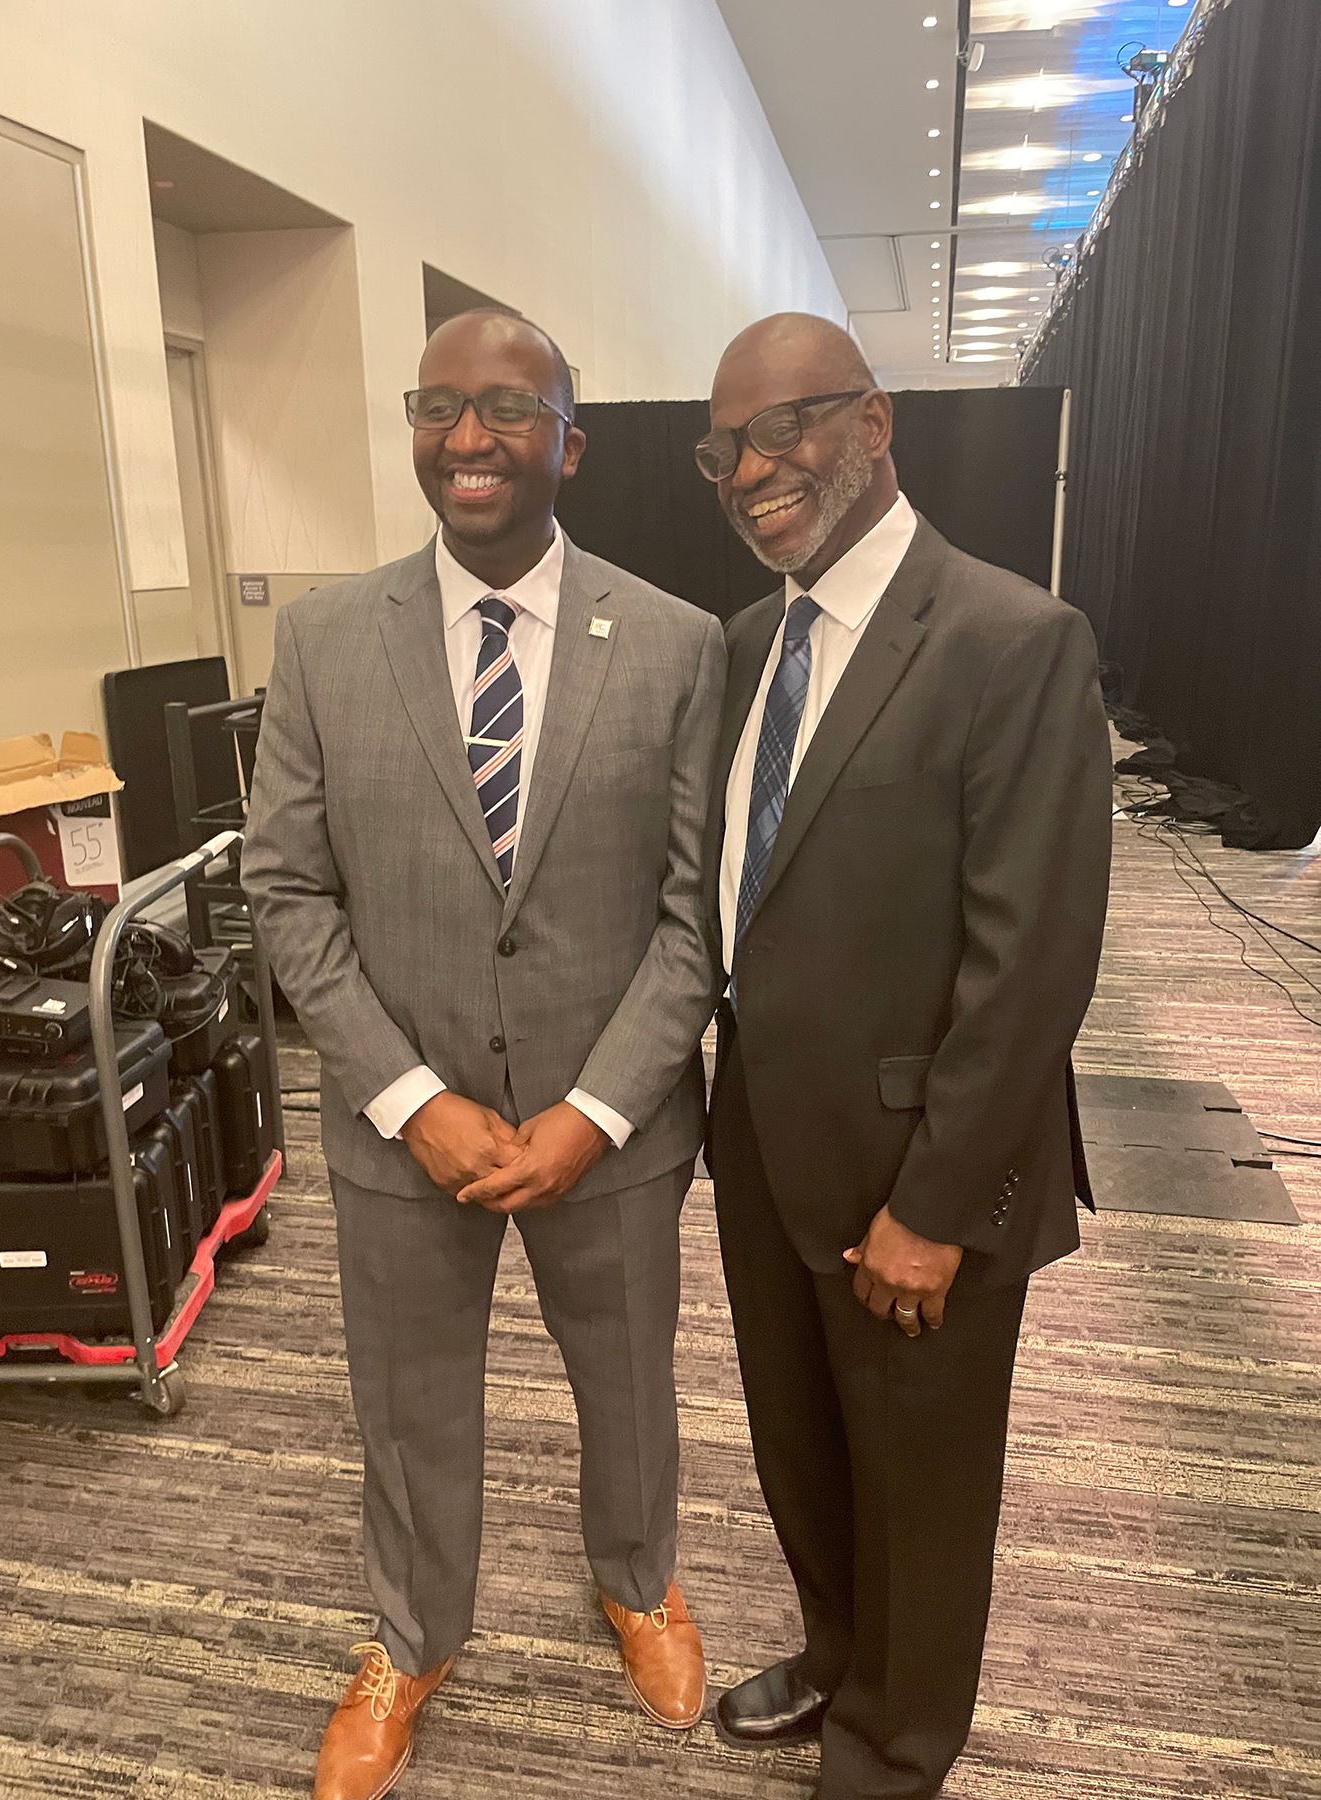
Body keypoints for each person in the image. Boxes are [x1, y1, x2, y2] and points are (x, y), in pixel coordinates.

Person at [242, 310, 724, 1800]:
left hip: (614, 1125)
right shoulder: (326, 638)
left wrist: (589, 1109)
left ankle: (637, 1580)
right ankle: (411, 1636)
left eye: (506, 408)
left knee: (629, 1380)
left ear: (568, 440)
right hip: (401, 1129)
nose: (468, 437)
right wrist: (410, 1097)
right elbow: (285, 890)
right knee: (407, 1400)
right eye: (439, 406)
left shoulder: (677, 642)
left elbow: (694, 915)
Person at [698, 313, 1112, 1800]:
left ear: (874, 424)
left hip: (915, 1165)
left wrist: (934, 1206)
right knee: (801, 1450)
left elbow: (1032, 963)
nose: (752, 469)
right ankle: (835, 1656)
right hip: (757, 1140)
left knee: (921, 1484)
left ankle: (896, 1739)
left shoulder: (1011, 637)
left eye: (785, 428)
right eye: (724, 448)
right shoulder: (748, 647)